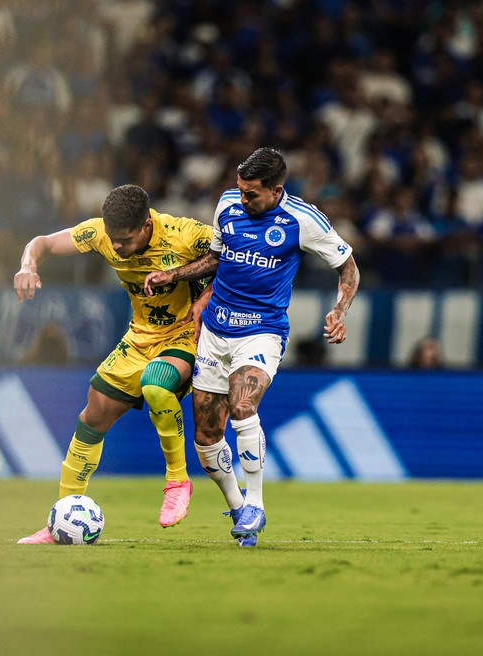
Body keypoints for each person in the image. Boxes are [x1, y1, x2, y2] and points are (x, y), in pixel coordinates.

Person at [144, 147, 359, 547]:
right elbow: (216, 258)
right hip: (215, 331)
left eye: (252, 194)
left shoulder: (303, 220)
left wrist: (340, 309)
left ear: (276, 190)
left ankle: (256, 504)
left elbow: (348, 266)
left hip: (262, 331)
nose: (243, 199)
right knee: (207, 436)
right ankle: (239, 506)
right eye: (241, 190)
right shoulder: (227, 204)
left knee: (243, 406)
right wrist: (173, 276)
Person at [13, 184, 212, 544]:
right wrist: (28, 265)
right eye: (112, 238)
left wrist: (207, 297)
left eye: (125, 239)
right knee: (92, 415)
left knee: (155, 384)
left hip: (184, 334)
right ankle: (59, 521)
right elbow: (42, 243)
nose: (116, 246)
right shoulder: (100, 233)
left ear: (147, 225)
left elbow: (236, 256)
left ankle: (178, 481)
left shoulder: (185, 234)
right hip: (138, 338)